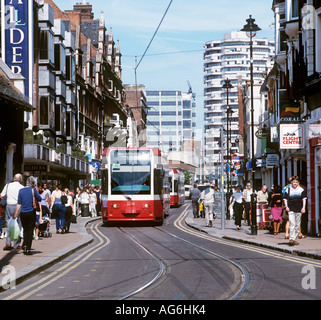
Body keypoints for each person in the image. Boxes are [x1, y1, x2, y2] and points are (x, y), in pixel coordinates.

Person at [13, 176, 42, 255]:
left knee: (25, 229)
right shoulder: (33, 190)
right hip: (31, 212)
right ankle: (27, 248)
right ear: (33, 183)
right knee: (30, 231)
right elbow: (39, 199)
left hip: (23, 213)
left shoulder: (21, 190)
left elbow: (19, 203)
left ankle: (24, 245)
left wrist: (15, 214)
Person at [1, 173, 24, 251]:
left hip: (9, 206)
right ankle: (17, 244)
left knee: (9, 223)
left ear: (14, 178)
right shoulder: (22, 187)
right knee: (18, 225)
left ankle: (8, 242)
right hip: (18, 206)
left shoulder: (8, 185)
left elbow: (1, 195)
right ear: (20, 179)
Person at [283, 176, 307, 246]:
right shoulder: (288, 190)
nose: (295, 184)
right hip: (291, 209)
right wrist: (286, 206)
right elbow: (285, 199)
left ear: (298, 183)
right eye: (294, 182)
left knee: (297, 225)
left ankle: (295, 239)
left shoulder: (301, 190)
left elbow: (304, 199)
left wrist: (303, 208)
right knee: (292, 223)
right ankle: (291, 239)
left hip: (299, 209)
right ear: (291, 183)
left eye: (296, 182)